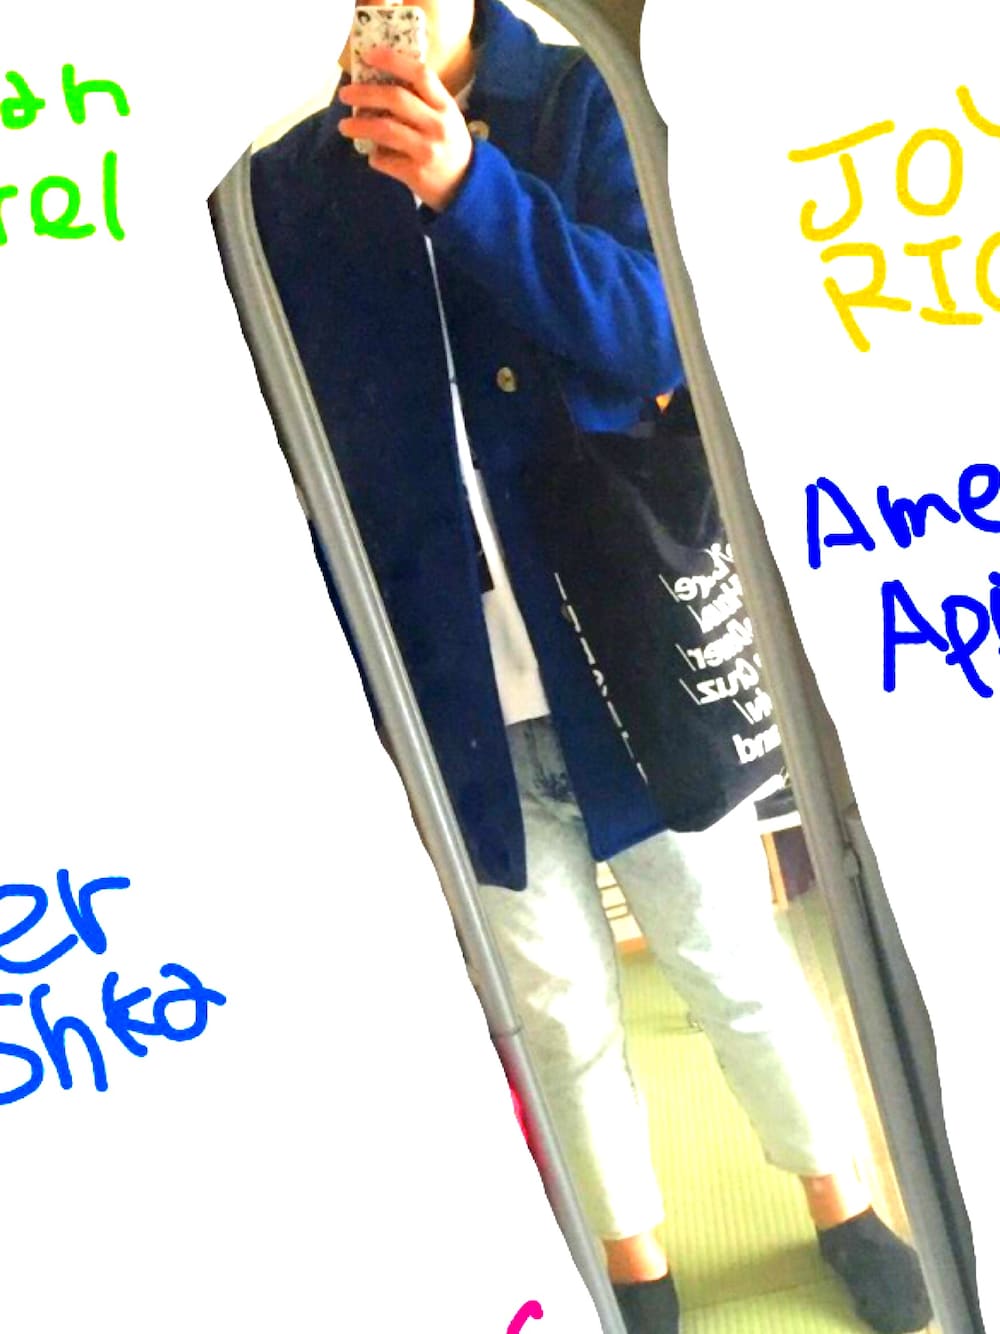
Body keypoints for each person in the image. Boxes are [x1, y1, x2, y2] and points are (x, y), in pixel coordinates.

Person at [250, 2, 933, 1330]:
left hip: (625, 647)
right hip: (447, 679)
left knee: (731, 953)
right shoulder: (282, 189)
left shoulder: (581, 99)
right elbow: (297, 447)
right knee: (558, 1004)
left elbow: (657, 335)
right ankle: (635, 1264)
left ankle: (842, 1199)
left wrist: (470, 186)